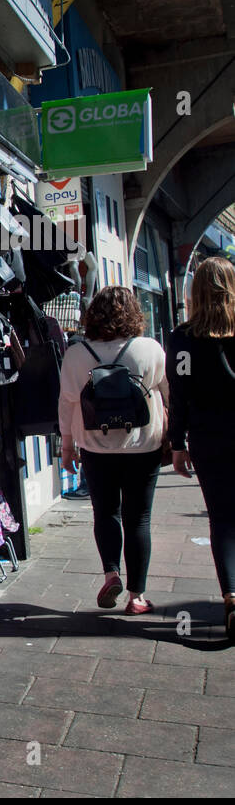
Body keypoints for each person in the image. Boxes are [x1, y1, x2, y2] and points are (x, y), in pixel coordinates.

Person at [58, 286, 168, 614]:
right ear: (134, 313)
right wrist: (176, 438)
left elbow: (66, 403)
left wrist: (66, 446)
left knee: (105, 512)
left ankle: (111, 573)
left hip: (95, 446)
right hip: (143, 444)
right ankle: (136, 597)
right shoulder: (149, 349)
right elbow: (166, 391)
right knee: (139, 518)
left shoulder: (77, 354)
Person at [167, 256, 235, 641]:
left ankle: (231, 595)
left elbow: (180, 393)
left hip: (209, 439)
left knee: (223, 520)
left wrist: (177, 444)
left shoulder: (184, 339)